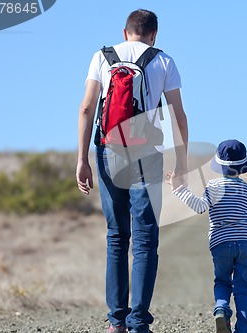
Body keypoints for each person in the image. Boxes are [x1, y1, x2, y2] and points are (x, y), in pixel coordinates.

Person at [76, 9, 188, 333]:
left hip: (107, 149)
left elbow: (86, 108)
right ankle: (138, 323)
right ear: (154, 35)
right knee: (145, 238)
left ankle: (116, 323)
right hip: (146, 154)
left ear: (125, 33)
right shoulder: (164, 61)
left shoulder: (102, 56)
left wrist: (82, 159)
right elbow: (179, 117)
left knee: (116, 236)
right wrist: (181, 165)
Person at [166, 139, 247, 333]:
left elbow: (200, 207)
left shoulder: (213, 186)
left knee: (222, 281)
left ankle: (221, 308)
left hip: (220, 244)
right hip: (245, 243)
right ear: (242, 166)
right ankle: (243, 328)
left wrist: (178, 189)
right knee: (243, 288)